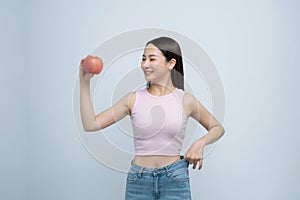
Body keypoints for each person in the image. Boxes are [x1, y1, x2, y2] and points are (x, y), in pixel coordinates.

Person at [79, 36, 225, 200]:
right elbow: (90, 124)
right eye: (143, 59)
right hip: (139, 181)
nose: (145, 64)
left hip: (175, 179)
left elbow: (218, 128)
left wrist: (200, 143)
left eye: (151, 59)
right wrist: (84, 82)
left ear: (171, 63)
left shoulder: (186, 100)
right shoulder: (132, 99)